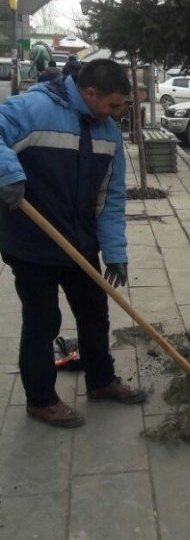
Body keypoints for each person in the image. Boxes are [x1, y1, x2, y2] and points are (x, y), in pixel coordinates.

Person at [0, 58, 146, 428]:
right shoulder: (33, 109)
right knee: (43, 320)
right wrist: (8, 173)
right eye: (113, 105)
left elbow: (111, 198)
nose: (116, 114)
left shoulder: (108, 133)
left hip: (80, 243)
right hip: (31, 242)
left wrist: (114, 253)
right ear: (89, 92)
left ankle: (101, 381)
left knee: (95, 312)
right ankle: (41, 400)